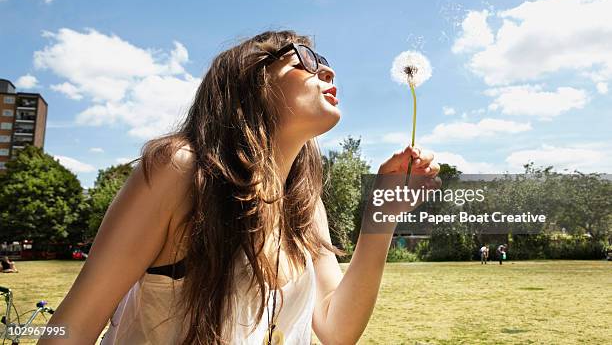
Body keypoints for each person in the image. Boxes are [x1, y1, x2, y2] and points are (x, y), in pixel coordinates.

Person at [38, 30, 441, 345]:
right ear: (250, 81)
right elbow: (72, 327)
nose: (328, 71)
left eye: (326, 62)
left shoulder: (303, 204)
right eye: (305, 58)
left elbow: (337, 329)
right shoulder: (182, 172)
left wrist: (381, 216)